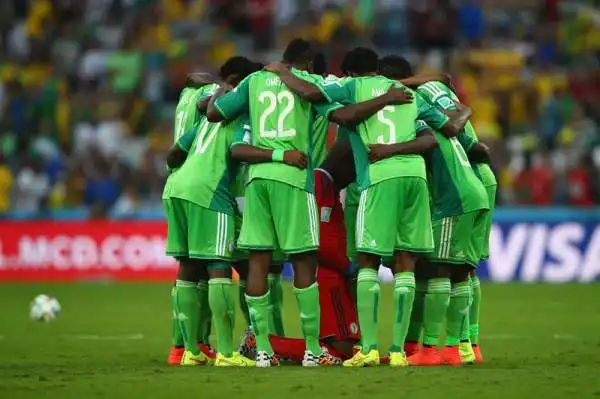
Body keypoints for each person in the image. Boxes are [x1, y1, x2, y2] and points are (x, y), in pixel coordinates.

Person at [207, 39, 414, 367]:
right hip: (296, 177)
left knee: (259, 261)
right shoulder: (312, 82)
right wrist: (387, 97)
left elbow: (214, 112)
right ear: (305, 63)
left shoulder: (254, 80)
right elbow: (341, 112)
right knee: (305, 261)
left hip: (257, 179)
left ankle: (262, 349)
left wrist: (222, 89)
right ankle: (313, 350)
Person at [267, 46, 472, 367]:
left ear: (349, 73)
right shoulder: (406, 92)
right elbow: (445, 129)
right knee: (407, 261)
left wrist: (282, 72)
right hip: (415, 177)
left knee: (367, 261)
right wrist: (464, 110)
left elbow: (309, 92)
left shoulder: (352, 87)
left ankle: (371, 348)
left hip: (380, 178)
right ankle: (400, 352)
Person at [376, 55, 491, 366]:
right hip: (474, 187)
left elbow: (436, 133)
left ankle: (434, 349)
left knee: (440, 268)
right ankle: (463, 348)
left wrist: (387, 150)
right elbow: (477, 145)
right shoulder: (432, 106)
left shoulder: (416, 107)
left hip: (455, 195)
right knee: (461, 270)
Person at [163, 56, 259, 367]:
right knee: (219, 267)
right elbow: (237, 151)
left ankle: (189, 351)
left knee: (188, 268)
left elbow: (175, 151)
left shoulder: (207, 115)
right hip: (210, 193)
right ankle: (228, 354)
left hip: (177, 187)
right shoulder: (242, 116)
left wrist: (186, 172)